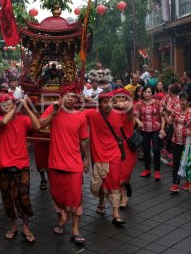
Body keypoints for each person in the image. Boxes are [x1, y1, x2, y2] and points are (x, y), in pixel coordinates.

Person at [40, 86, 90, 245]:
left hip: (74, 163)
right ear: (61, 97)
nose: (71, 99)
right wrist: (54, 112)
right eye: (68, 96)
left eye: (74, 97)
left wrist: (87, 158)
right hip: (55, 162)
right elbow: (40, 125)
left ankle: (75, 229)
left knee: (76, 197)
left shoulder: (81, 116)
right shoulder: (52, 109)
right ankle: (62, 218)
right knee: (57, 195)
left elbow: (84, 140)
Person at [0, 93, 40, 243]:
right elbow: (5, 122)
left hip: (22, 164)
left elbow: (37, 125)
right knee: (8, 199)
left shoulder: (23, 119)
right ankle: (13, 225)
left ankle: (26, 225)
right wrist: (14, 107)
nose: (6, 106)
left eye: (9, 103)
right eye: (3, 105)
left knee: (24, 198)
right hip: (5, 165)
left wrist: (25, 107)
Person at [84, 93, 126, 226]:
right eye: (104, 102)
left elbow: (132, 114)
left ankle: (115, 213)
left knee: (114, 181)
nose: (107, 104)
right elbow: (75, 116)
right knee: (100, 182)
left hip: (114, 153)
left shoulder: (118, 114)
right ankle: (101, 202)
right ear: (99, 104)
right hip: (98, 153)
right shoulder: (91, 114)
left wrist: (127, 104)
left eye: (110, 101)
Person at [163, 92, 191, 192]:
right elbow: (170, 122)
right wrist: (164, 115)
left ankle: (190, 182)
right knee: (176, 162)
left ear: (189, 102)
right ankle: (175, 183)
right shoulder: (176, 110)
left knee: (188, 162)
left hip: (189, 142)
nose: (181, 102)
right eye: (180, 100)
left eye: (183, 101)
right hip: (176, 140)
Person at [111, 89, 136, 208]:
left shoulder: (128, 110)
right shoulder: (110, 111)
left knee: (123, 175)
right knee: (118, 175)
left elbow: (131, 111)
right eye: (118, 97)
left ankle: (126, 185)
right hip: (115, 147)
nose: (121, 100)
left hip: (128, 147)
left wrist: (127, 105)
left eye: (123, 97)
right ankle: (124, 197)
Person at [134, 85, 165, 180]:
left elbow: (162, 117)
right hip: (144, 130)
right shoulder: (139, 104)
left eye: (149, 92)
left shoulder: (157, 103)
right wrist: (138, 122)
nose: (147, 94)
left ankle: (157, 171)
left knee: (156, 149)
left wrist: (162, 128)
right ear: (142, 93)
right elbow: (136, 116)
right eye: (145, 92)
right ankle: (147, 169)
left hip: (156, 129)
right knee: (146, 149)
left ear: (152, 93)